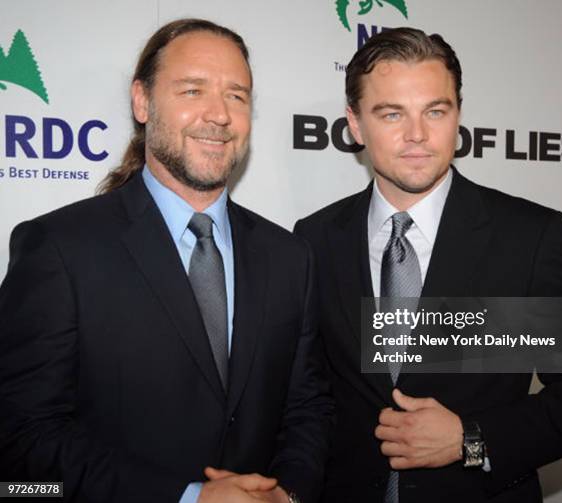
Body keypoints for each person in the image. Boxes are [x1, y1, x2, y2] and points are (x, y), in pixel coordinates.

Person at [0, 18, 333, 503]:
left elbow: (308, 407)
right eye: (193, 90)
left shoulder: (289, 257)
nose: (218, 114)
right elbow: (22, 440)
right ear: (142, 101)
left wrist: (287, 493)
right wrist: (189, 496)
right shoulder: (58, 248)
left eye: (237, 96)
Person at [294, 27, 562, 502]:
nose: (417, 134)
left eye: (435, 111)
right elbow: (307, 397)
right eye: (391, 113)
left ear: (457, 115)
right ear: (355, 125)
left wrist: (471, 438)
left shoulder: (525, 238)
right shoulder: (315, 238)